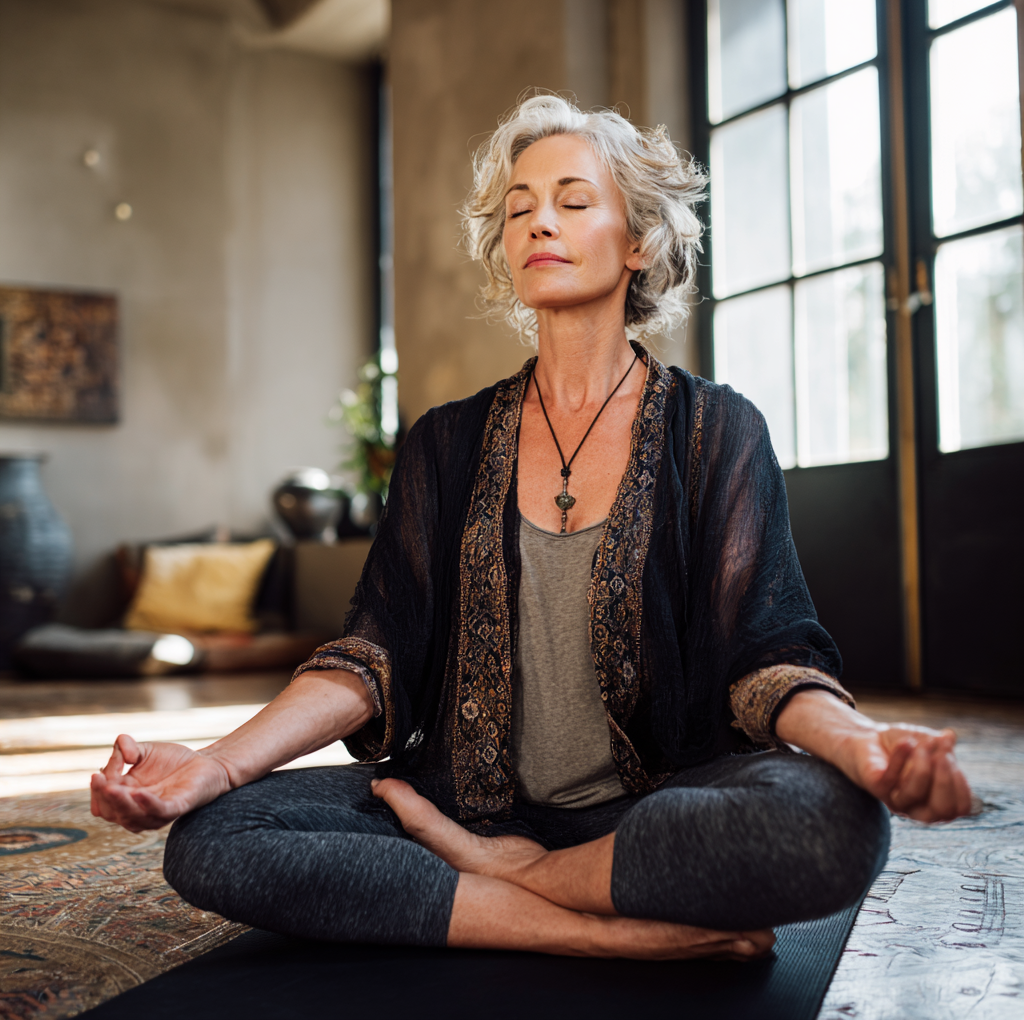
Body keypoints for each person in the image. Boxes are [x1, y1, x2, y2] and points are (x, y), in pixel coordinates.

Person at [91, 94, 973, 962]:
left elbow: (771, 656)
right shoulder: (445, 441)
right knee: (216, 838)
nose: (538, 223)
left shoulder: (717, 431)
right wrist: (215, 764)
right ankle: (580, 926)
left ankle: (504, 878)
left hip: (655, 803)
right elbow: (371, 656)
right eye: (519, 210)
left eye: (572, 202)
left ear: (639, 243)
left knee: (832, 826)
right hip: (466, 799)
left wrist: (868, 748)